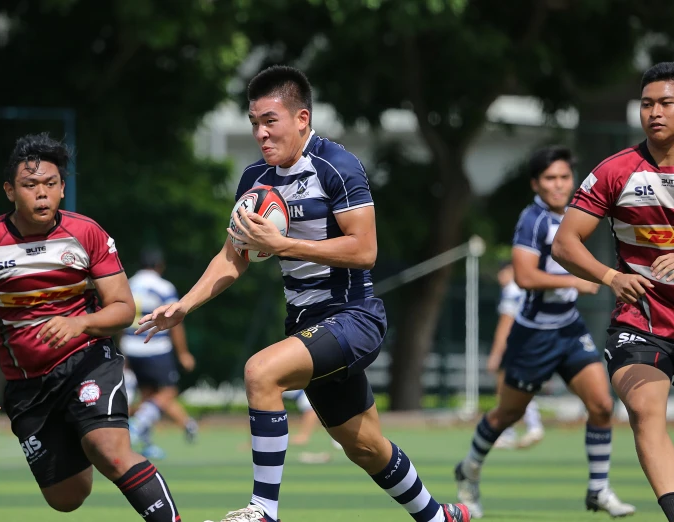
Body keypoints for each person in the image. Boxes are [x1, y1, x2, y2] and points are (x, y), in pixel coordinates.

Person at [137, 65, 469, 522]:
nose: (260, 133)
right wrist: (184, 306)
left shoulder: (338, 166)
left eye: (269, 120)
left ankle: (264, 511)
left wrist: (283, 245)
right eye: (254, 122)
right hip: (306, 324)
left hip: (354, 316)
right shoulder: (256, 179)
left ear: (302, 118)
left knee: (260, 372)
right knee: (366, 447)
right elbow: (232, 256)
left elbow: (365, 249)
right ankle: (438, 517)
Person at [0, 133, 182, 520]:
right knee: (66, 498)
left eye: (50, 185)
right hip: (27, 383)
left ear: (62, 188)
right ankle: (80, 432)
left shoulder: (87, 233)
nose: (42, 195)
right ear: (9, 190)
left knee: (112, 452)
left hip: (88, 361)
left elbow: (123, 308)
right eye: (30, 185)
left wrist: (80, 323)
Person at [552, 62, 674, 522]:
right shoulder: (615, 171)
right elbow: (565, 243)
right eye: (646, 104)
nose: (654, 112)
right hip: (641, 323)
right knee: (644, 410)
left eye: (665, 103)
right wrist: (609, 277)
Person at [454, 145, 636, 519]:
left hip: (568, 328)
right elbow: (523, 276)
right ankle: (469, 469)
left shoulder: (576, 214)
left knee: (602, 405)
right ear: (536, 184)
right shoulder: (532, 220)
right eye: (550, 178)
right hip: (534, 335)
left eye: (564, 177)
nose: (558, 185)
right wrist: (577, 280)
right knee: (506, 414)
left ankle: (598, 488)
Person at [121, 248, 199, 460]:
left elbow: (121, 317)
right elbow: (175, 321)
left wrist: (123, 348)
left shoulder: (128, 283)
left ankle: (145, 444)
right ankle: (137, 425)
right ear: (160, 266)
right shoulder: (163, 287)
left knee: (147, 394)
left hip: (131, 346)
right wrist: (183, 353)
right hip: (155, 348)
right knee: (168, 392)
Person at [487, 262, 544, 450]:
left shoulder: (511, 291)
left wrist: (496, 354)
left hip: (514, 345)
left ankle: (509, 432)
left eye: (502, 272)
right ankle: (532, 425)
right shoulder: (529, 289)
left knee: (505, 388)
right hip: (532, 342)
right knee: (521, 386)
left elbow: (505, 324)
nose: (499, 277)